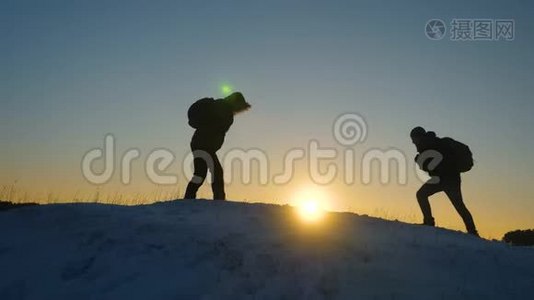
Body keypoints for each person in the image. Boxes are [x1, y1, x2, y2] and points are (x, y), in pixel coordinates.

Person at [410, 126, 478, 236]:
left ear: (418, 137)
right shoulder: (436, 142)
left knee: (421, 195)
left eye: (413, 139)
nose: (413, 142)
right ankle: (472, 231)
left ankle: (428, 222)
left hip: (443, 179)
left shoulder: (427, 146)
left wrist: (419, 161)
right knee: (460, 206)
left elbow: (430, 166)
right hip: (452, 178)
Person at [184, 92, 251, 200]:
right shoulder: (222, 108)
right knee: (216, 171)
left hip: (201, 143)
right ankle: (219, 200)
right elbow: (215, 128)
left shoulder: (224, 109)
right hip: (203, 144)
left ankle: (189, 198)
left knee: (200, 174)